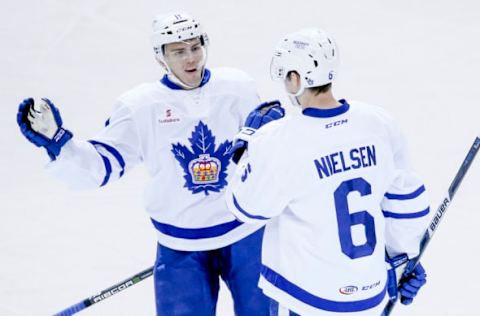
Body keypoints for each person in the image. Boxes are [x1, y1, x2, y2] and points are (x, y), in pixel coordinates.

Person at [16, 12, 283, 316]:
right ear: (161, 57)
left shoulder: (238, 88)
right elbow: (102, 165)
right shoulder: (140, 106)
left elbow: (265, 158)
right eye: (178, 51)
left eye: (195, 47)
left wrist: (275, 139)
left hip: (245, 235)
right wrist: (59, 142)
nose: (190, 58)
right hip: (181, 246)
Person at [225, 28, 429, 315]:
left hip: (304, 298)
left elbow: (246, 208)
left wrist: (246, 147)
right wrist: (401, 260)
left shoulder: (278, 139)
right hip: (369, 296)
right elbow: (408, 204)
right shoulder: (378, 122)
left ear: (295, 78)